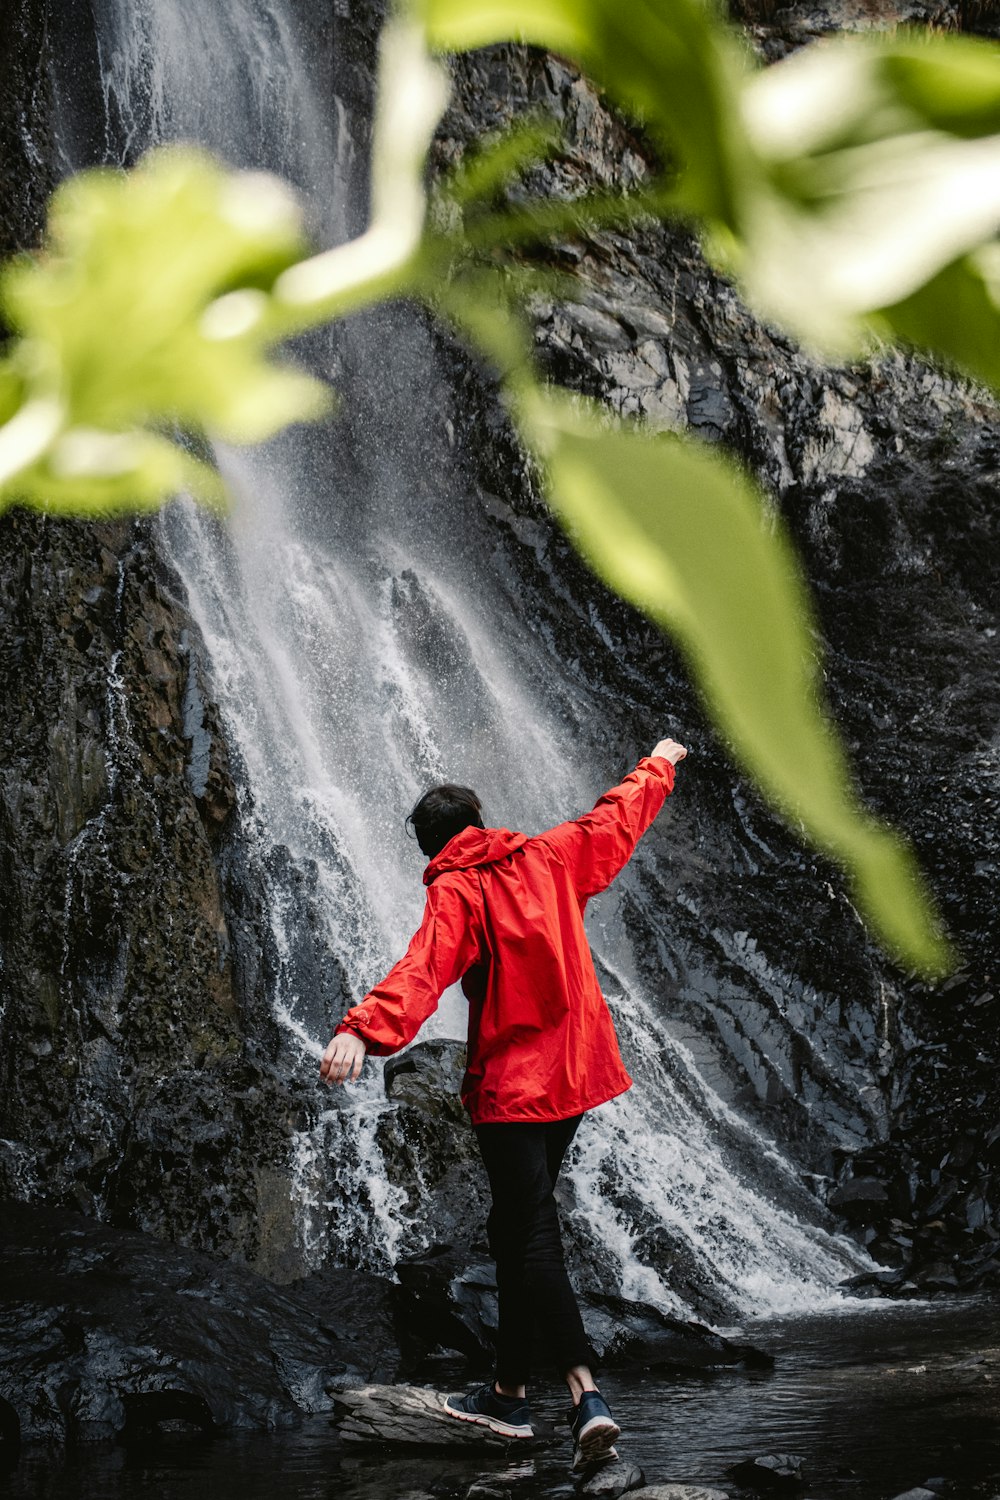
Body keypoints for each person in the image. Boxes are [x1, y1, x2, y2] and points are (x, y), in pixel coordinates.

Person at [320, 738, 687, 1464]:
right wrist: (661, 763)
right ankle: (511, 1397)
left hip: (516, 1085)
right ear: (479, 822)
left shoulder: (456, 888)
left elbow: (424, 968)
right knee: (516, 1225)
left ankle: (586, 1394)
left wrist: (362, 1032)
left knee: (531, 1229)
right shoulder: (549, 856)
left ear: (430, 844)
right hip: (575, 1071)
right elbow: (615, 820)